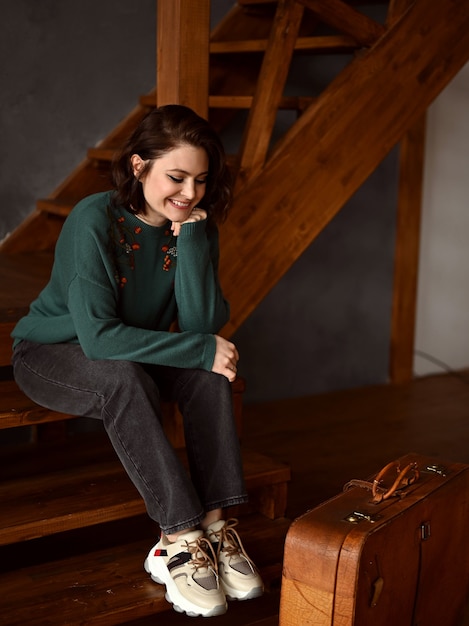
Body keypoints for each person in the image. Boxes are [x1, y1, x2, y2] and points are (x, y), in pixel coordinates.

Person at [11, 104, 263, 618]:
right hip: (51, 353)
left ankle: (217, 526)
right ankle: (177, 538)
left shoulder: (195, 224)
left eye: (200, 179)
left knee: (209, 370)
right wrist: (199, 347)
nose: (189, 192)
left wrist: (191, 238)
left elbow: (199, 328)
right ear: (137, 166)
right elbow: (100, 339)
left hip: (134, 350)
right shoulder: (93, 218)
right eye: (176, 176)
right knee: (128, 375)